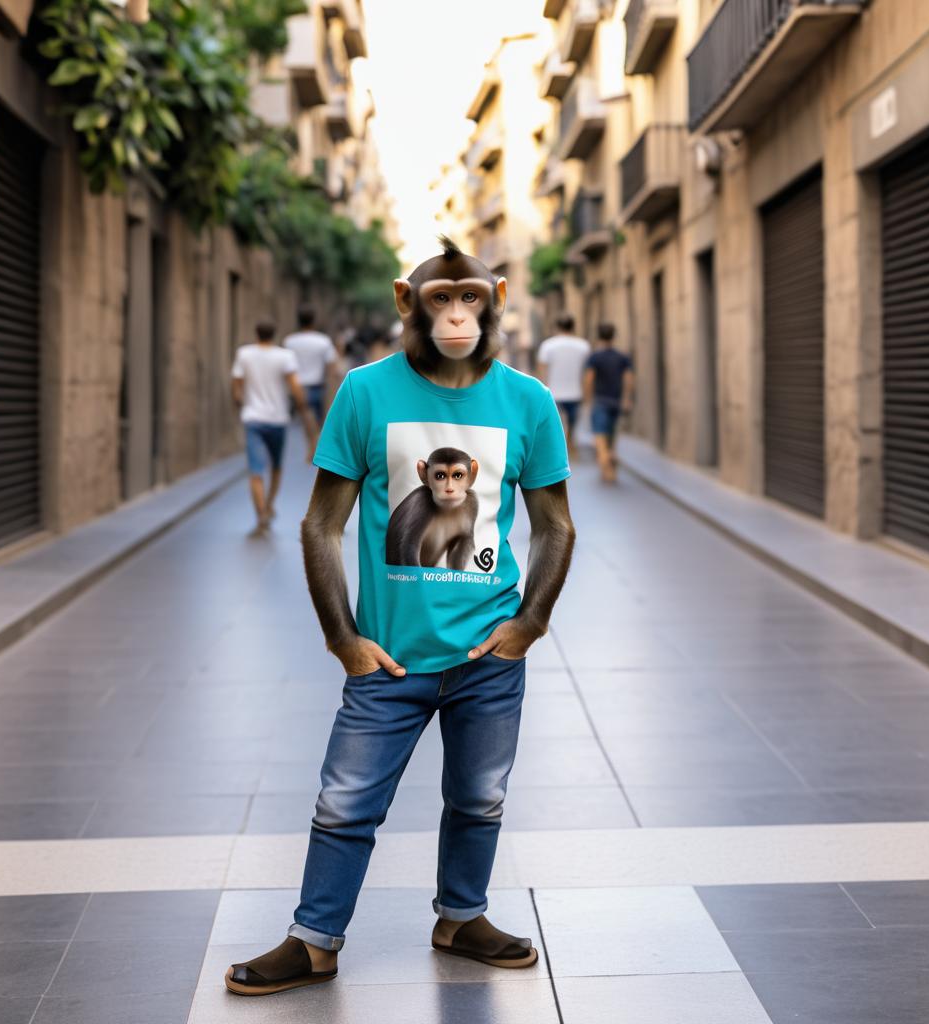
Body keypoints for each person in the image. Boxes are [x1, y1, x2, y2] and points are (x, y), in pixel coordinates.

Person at [224, 237, 576, 997]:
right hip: (387, 659)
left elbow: (556, 525)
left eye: (470, 298)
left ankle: (462, 916)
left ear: (498, 299)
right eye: (440, 298)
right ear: (405, 301)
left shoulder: (529, 401)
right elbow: (321, 524)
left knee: (479, 798)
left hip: (487, 655)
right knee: (344, 802)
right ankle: (314, 939)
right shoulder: (364, 392)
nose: (456, 314)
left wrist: (530, 625)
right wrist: (342, 637)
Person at [231, 321, 320, 535]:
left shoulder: (244, 354)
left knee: (255, 470)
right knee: (276, 467)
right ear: (274, 334)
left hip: (252, 418)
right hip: (277, 419)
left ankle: (261, 512)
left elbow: (236, 386)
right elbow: (296, 386)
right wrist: (302, 406)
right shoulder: (285, 356)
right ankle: (268, 505)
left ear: (256, 333)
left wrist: (242, 403)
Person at [583, 323, 634, 483]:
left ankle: (607, 468)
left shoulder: (595, 357)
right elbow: (628, 379)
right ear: (614, 336)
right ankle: (611, 455)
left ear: (599, 337)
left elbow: (589, 379)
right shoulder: (622, 357)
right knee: (612, 436)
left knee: (600, 437)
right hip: (616, 402)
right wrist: (626, 399)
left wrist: (588, 400)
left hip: (600, 401)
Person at [536, 314, 590, 456]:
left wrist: (542, 389)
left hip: (554, 393)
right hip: (576, 392)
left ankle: (561, 448)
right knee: (572, 423)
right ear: (573, 327)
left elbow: (542, 369)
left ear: (557, 327)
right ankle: (570, 443)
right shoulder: (583, 346)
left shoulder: (548, 345)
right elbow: (586, 372)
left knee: (556, 424)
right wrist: (586, 392)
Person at [283, 306, 340, 425]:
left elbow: (285, 367)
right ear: (314, 320)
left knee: (300, 425)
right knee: (318, 424)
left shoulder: (289, 341)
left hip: (296, 388)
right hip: (317, 388)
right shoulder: (323, 340)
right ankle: (314, 443)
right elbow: (332, 366)